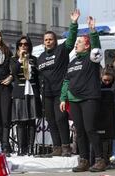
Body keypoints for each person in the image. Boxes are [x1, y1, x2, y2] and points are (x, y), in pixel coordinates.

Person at [60, 16, 105, 172]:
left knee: (90, 129)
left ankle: (100, 160)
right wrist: (63, 98)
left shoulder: (92, 58)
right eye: (76, 42)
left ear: (87, 46)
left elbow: (97, 47)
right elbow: (66, 81)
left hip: (89, 98)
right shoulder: (72, 61)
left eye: (79, 42)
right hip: (74, 100)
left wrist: (93, 31)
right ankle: (84, 160)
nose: (76, 44)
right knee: (79, 131)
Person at [37, 9, 80, 157]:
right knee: (51, 120)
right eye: (46, 40)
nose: (48, 41)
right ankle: (56, 148)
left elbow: (71, 40)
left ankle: (66, 147)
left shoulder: (62, 50)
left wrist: (73, 23)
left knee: (61, 118)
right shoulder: (41, 57)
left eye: (50, 39)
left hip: (60, 92)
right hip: (46, 93)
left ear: (55, 41)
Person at [10, 36, 42, 156]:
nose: (23, 46)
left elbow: (38, 77)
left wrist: (40, 93)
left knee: (31, 121)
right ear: (18, 47)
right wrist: (20, 59)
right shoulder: (13, 60)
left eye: (26, 44)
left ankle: (31, 148)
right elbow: (13, 71)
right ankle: (21, 149)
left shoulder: (34, 59)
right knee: (21, 121)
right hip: (20, 93)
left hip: (32, 91)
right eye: (21, 44)